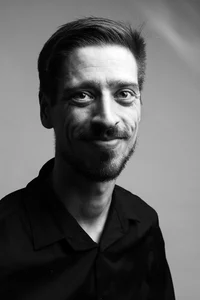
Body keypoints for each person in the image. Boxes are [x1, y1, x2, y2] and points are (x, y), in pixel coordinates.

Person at [0, 17, 176, 300]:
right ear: (46, 110)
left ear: (140, 106)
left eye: (124, 94)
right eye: (82, 95)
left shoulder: (144, 223)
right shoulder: (4, 239)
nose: (107, 118)